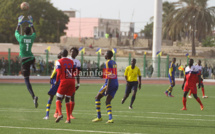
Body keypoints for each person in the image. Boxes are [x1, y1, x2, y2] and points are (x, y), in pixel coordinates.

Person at [15, 15, 38, 108]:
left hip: (24, 60)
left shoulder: (20, 38)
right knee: (32, 58)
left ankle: (33, 96)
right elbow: (35, 33)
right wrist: (31, 23)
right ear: (29, 32)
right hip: (31, 58)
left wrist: (19, 23)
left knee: (26, 80)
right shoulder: (32, 38)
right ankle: (34, 66)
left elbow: (16, 32)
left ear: (24, 32)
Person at [92, 50, 118, 123]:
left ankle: (99, 117)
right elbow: (112, 74)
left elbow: (109, 76)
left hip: (109, 83)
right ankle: (110, 118)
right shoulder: (114, 62)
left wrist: (107, 87)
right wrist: (102, 75)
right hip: (116, 83)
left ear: (108, 55)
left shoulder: (107, 62)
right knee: (107, 101)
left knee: (97, 97)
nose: (104, 55)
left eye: (105, 54)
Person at [55, 49, 76, 123]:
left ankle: (60, 114)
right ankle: (68, 119)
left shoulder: (59, 61)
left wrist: (57, 81)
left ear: (61, 54)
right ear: (67, 54)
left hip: (64, 81)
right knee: (67, 99)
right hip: (72, 81)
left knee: (58, 98)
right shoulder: (71, 61)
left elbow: (58, 72)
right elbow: (74, 71)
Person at [43, 53, 62, 120]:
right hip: (60, 80)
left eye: (60, 54)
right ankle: (58, 114)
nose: (58, 54)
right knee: (60, 98)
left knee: (51, 97)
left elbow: (55, 70)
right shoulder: (64, 62)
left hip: (56, 79)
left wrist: (51, 78)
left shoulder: (57, 61)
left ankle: (47, 115)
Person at [69, 47, 81, 119]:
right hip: (64, 80)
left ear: (76, 54)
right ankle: (57, 112)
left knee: (72, 97)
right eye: (71, 51)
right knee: (62, 97)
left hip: (72, 81)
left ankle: (70, 114)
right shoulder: (66, 59)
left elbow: (78, 73)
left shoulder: (78, 62)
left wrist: (78, 83)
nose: (72, 53)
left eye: (74, 52)